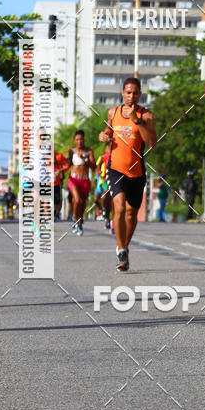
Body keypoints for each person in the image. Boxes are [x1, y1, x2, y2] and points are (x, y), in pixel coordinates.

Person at [98, 77, 157, 271]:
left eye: (135, 93)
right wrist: (104, 135)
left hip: (137, 172)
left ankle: (124, 247)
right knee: (120, 207)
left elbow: (152, 142)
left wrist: (136, 120)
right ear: (123, 93)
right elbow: (109, 130)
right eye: (128, 92)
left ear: (140, 94)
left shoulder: (146, 115)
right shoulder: (113, 112)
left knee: (131, 214)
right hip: (116, 169)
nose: (132, 96)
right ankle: (121, 250)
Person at [67, 130, 96, 235]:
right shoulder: (71, 151)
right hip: (73, 179)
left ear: (84, 140)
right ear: (74, 141)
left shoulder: (89, 151)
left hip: (85, 180)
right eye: (77, 139)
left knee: (82, 203)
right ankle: (76, 221)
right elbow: (68, 164)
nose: (79, 141)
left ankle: (79, 221)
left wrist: (85, 158)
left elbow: (93, 167)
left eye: (81, 139)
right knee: (77, 200)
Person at [53, 150, 69, 221]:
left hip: (56, 182)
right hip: (45, 181)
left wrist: (60, 170)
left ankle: (56, 213)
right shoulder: (41, 155)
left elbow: (66, 166)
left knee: (57, 200)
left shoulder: (59, 156)